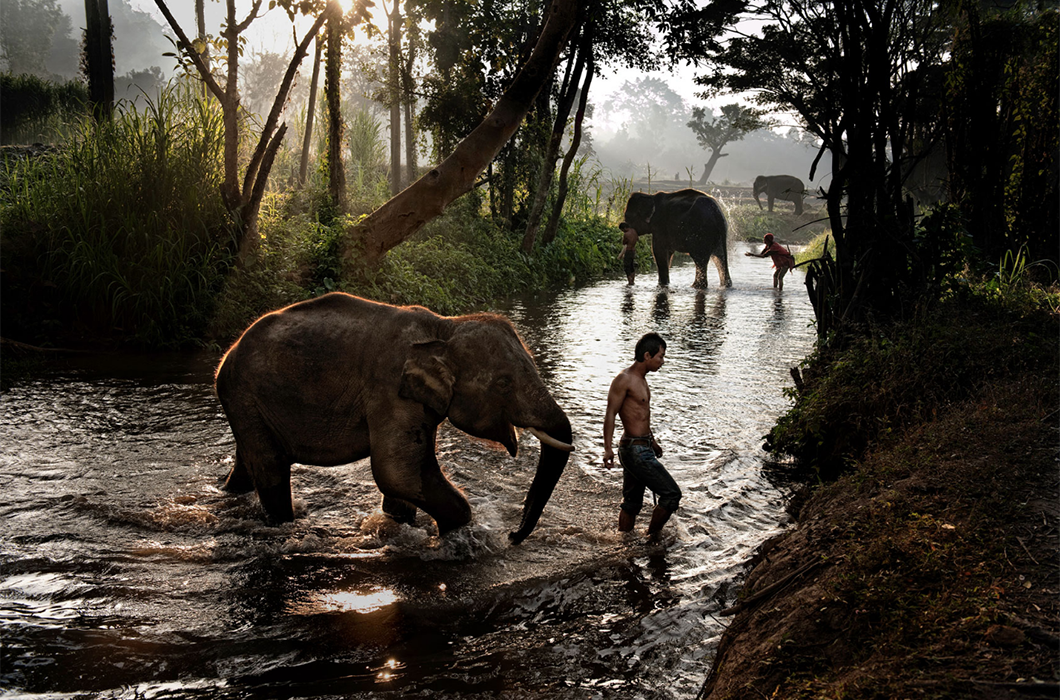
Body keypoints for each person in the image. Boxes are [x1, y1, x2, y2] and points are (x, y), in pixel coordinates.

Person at [602, 332, 682, 541]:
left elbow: (641, 417)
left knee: (632, 502)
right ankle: (652, 539)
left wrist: (653, 442)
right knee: (672, 494)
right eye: (661, 356)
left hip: (642, 446)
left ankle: (623, 543)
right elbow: (610, 414)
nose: (662, 362)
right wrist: (607, 449)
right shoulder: (624, 379)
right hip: (634, 450)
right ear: (647, 355)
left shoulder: (642, 381)